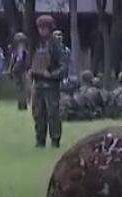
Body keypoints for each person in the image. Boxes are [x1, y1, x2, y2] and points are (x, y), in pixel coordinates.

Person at [29, 17, 69, 147]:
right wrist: (31, 71)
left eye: (44, 27)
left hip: (51, 85)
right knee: (38, 114)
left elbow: (63, 66)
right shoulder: (37, 43)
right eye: (39, 27)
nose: (41, 30)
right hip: (38, 84)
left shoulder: (56, 45)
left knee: (53, 114)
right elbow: (33, 61)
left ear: (49, 28)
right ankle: (40, 140)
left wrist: (51, 75)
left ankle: (55, 140)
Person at [8, 33, 29, 111]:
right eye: (19, 42)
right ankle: (20, 103)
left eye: (22, 41)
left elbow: (27, 62)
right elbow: (12, 61)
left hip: (24, 71)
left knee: (24, 88)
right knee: (19, 88)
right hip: (16, 71)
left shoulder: (25, 52)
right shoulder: (15, 52)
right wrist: (10, 70)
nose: (20, 43)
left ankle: (24, 103)